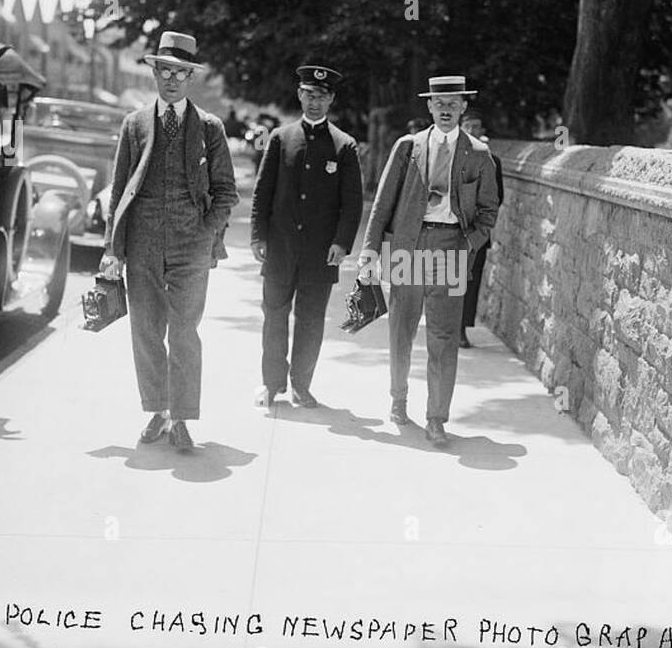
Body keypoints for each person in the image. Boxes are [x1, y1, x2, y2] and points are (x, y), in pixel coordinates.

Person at [99, 31, 239, 452]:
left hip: (190, 248)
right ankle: (157, 412)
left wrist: (205, 232)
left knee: (183, 333)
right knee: (145, 331)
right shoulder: (135, 123)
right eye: (165, 71)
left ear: (190, 78)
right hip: (141, 243)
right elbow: (119, 188)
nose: (172, 80)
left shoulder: (210, 128)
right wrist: (112, 249)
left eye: (180, 72)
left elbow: (227, 191)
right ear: (155, 73)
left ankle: (181, 419)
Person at [359, 75, 499, 447]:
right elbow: (383, 202)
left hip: (451, 247)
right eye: (440, 102)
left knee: (443, 337)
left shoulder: (480, 154)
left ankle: (436, 418)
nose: (447, 109)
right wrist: (370, 251)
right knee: (401, 329)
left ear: (464, 107)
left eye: (454, 102)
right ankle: (398, 399)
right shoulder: (408, 147)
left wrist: (467, 245)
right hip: (408, 245)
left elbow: (489, 212)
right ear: (429, 107)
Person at [250, 65, 363, 408]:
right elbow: (262, 191)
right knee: (274, 316)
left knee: (311, 320)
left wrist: (342, 243)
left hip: (320, 252)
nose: (315, 102)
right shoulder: (280, 138)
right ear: (299, 95)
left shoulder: (344, 146)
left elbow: (352, 202)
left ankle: (301, 383)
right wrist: (258, 236)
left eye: (322, 96)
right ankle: (271, 384)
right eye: (309, 95)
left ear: (331, 99)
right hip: (281, 247)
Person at [458, 109, 504, 348]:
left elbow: (498, 198)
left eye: (477, 127)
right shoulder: (450, 157)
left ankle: (462, 329)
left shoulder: (492, 161)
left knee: (471, 281)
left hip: (477, 234)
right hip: (449, 231)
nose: (473, 131)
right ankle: (445, 326)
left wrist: (480, 225)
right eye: (469, 126)